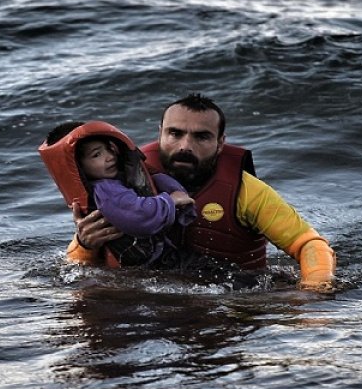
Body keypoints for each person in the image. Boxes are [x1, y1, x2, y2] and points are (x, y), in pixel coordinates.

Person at [65, 94, 337, 290]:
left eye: (201, 137)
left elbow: (310, 245)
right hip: (143, 302)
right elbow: (76, 266)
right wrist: (85, 245)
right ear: (160, 133)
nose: (185, 145)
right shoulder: (120, 179)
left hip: (230, 301)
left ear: (221, 143)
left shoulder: (246, 191)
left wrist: (314, 294)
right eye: (175, 133)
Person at [38, 120, 196, 267]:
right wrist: (170, 200)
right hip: (148, 265)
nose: (110, 157)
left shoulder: (124, 176)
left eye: (109, 149)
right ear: (79, 168)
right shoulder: (106, 191)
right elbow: (138, 216)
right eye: (96, 155)